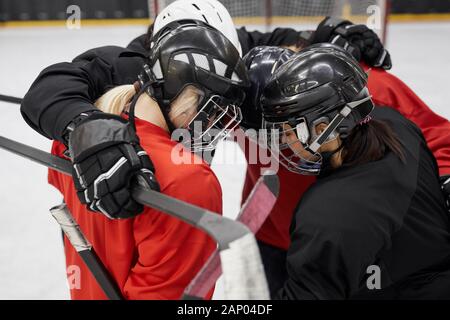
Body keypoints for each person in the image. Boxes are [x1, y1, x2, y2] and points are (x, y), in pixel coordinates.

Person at [21, 0, 389, 219]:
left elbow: (270, 42)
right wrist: (85, 127)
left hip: (194, 185)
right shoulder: (136, 64)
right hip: (156, 192)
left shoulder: (230, 53)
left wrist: (324, 37)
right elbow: (50, 86)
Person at [48, 19, 249, 299]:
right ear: (189, 94)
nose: (212, 124)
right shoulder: (190, 180)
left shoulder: (74, 141)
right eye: (213, 110)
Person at [239, 44, 450, 297]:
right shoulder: (397, 126)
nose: (280, 143)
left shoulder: (326, 213)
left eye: (285, 129)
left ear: (322, 127)